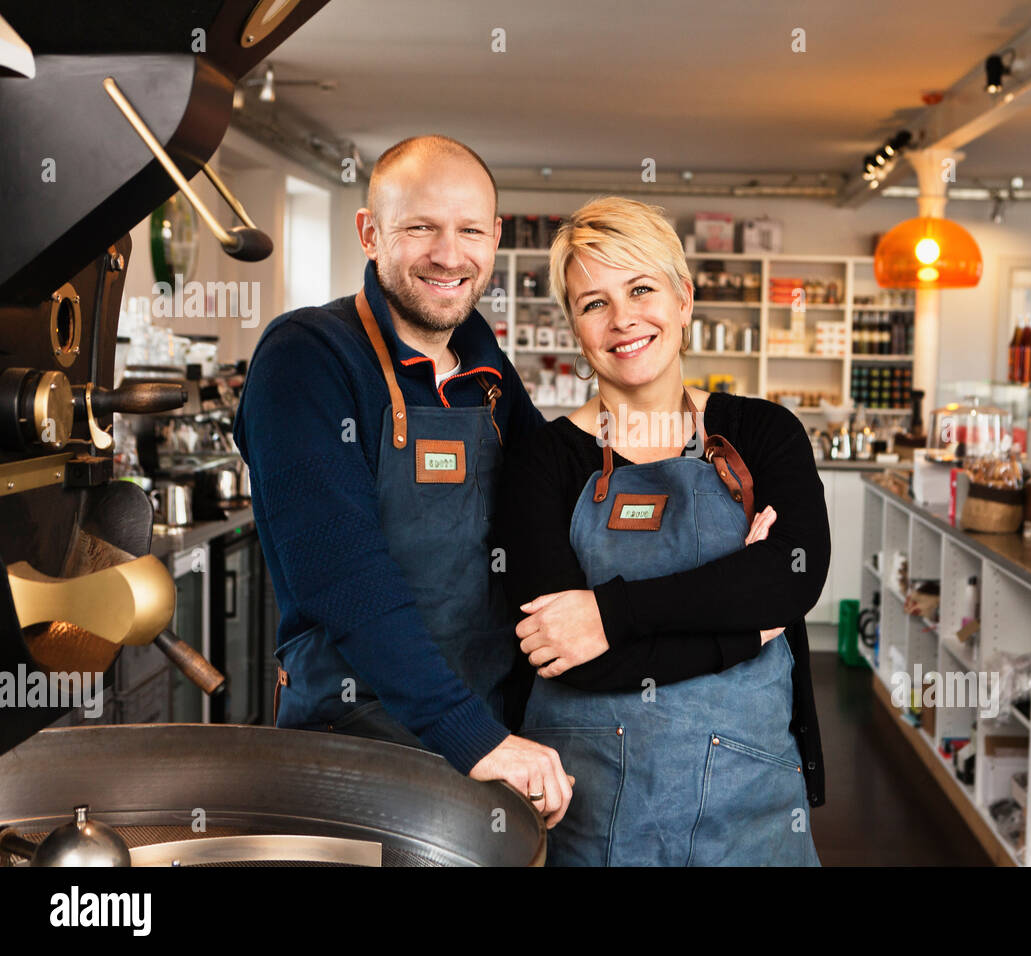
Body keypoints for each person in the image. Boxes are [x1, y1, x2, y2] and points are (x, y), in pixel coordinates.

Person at [234, 135, 573, 826]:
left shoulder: (487, 372)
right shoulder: (307, 356)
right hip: (356, 746)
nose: (449, 255)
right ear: (370, 233)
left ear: (496, 238)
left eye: (470, 230)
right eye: (420, 227)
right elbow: (343, 573)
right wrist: (474, 739)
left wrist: (706, 502)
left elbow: (559, 492)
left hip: (484, 731)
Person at [498, 196, 829, 865]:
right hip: (587, 804)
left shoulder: (762, 432)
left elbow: (790, 576)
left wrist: (609, 613)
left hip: (752, 803)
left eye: (641, 289)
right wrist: (741, 627)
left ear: (683, 299)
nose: (623, 319)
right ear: (574, 326)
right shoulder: (542, 458)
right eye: (593, 303)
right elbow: (560, 648)